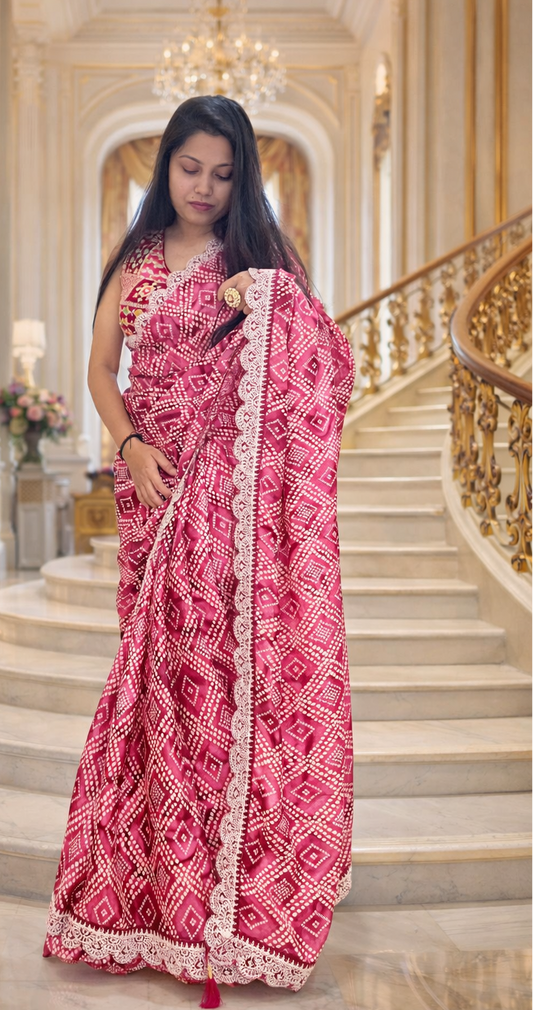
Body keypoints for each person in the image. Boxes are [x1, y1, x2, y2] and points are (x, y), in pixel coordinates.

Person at [43, 95, 355, 1004]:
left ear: (243, 175)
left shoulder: (261, 260)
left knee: (226, 683)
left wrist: (263, 298)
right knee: (164, 686)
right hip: (154, 492)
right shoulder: (136, 263)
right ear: (164, 165)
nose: (206, 188)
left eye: (224, 173)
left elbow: (326, 364)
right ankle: (162, 892)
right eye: (190, 169)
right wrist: (132, 446)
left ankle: (233, 891)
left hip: (235, 505)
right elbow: (102, 368)